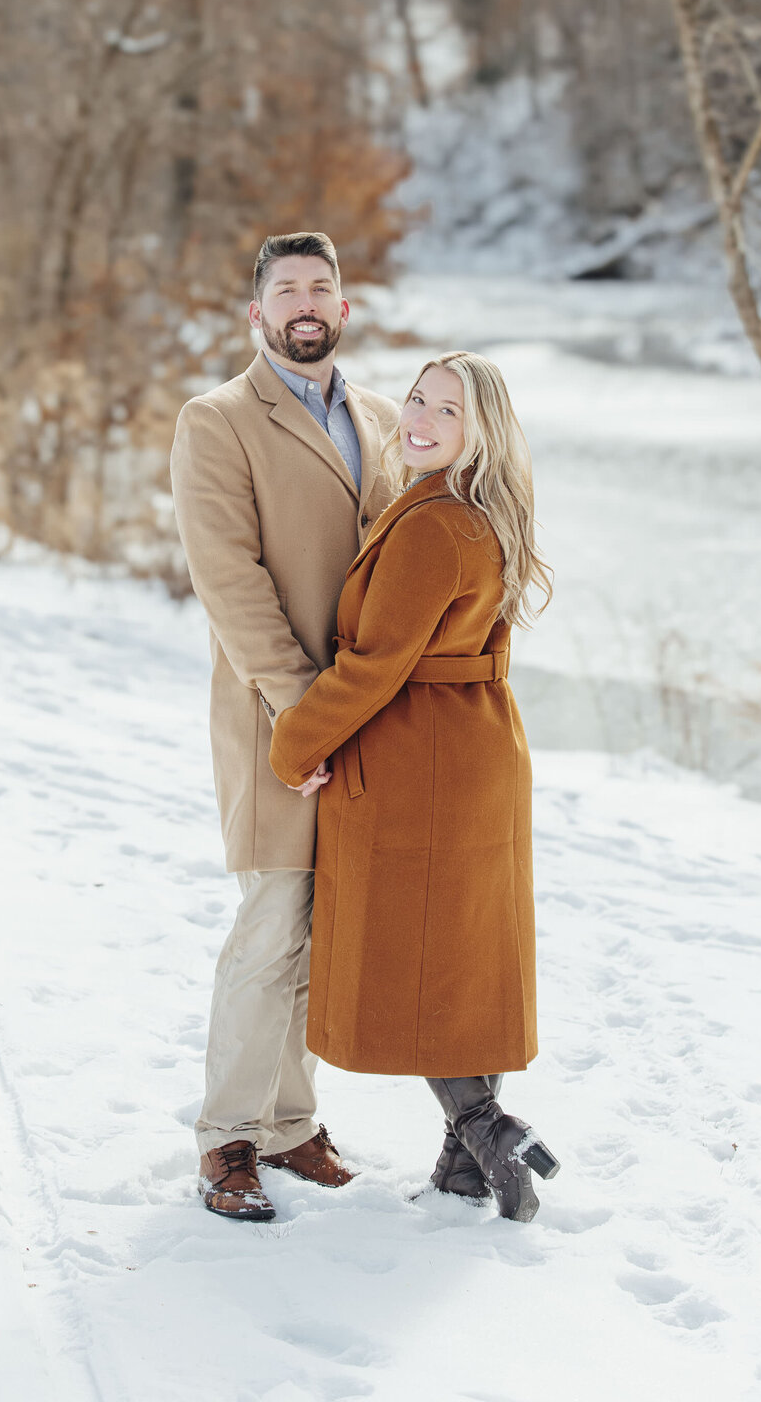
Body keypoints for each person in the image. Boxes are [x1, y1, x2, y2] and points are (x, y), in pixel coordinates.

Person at [268, 352, 560, 1222]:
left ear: (483, 431)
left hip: (419, 757)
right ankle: (466, 1166)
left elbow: (371, 667)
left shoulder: (434, 526)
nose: (420, 420)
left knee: (420, 959)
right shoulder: (484, 510)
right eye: (419, 400)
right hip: (480, 746)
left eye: (448, 411)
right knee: (464, 955)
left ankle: (486, 1127)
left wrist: (294, 744)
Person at [170, 231, 400, 1222]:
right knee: (271, 925)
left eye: (322, 287)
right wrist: (307, 716)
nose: (305, 303)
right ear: (255, 314)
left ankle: (294, 1124)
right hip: (282, 720)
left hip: (372, 726)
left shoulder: (389, 420)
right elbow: (232, 586)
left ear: (343, 309)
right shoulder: (217, 421)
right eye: (286, 289)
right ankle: (228, 1136)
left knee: (330, 928)